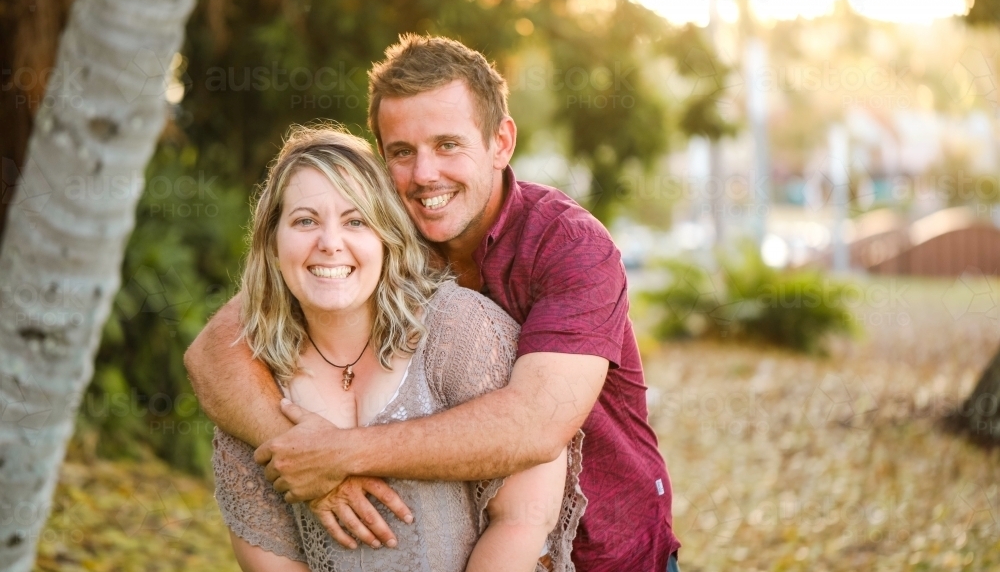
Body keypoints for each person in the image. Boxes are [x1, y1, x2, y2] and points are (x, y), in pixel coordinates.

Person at [185, 34, 681, 571]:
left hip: (607, 549)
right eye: (402, 152)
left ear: (501, 142)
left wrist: (338, 454)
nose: (424, 174)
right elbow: (214, 351)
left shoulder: (569, 246)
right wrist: (300, 455)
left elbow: (535, 424)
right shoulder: (377, 237)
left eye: (447, 145)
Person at [211, 126, 583, 571]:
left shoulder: (459, 332)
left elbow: (524, 519)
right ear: (273, 243)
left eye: (355, 221)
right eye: (305, 221)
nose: (330, 243)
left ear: (387, 238)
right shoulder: (251, 387)